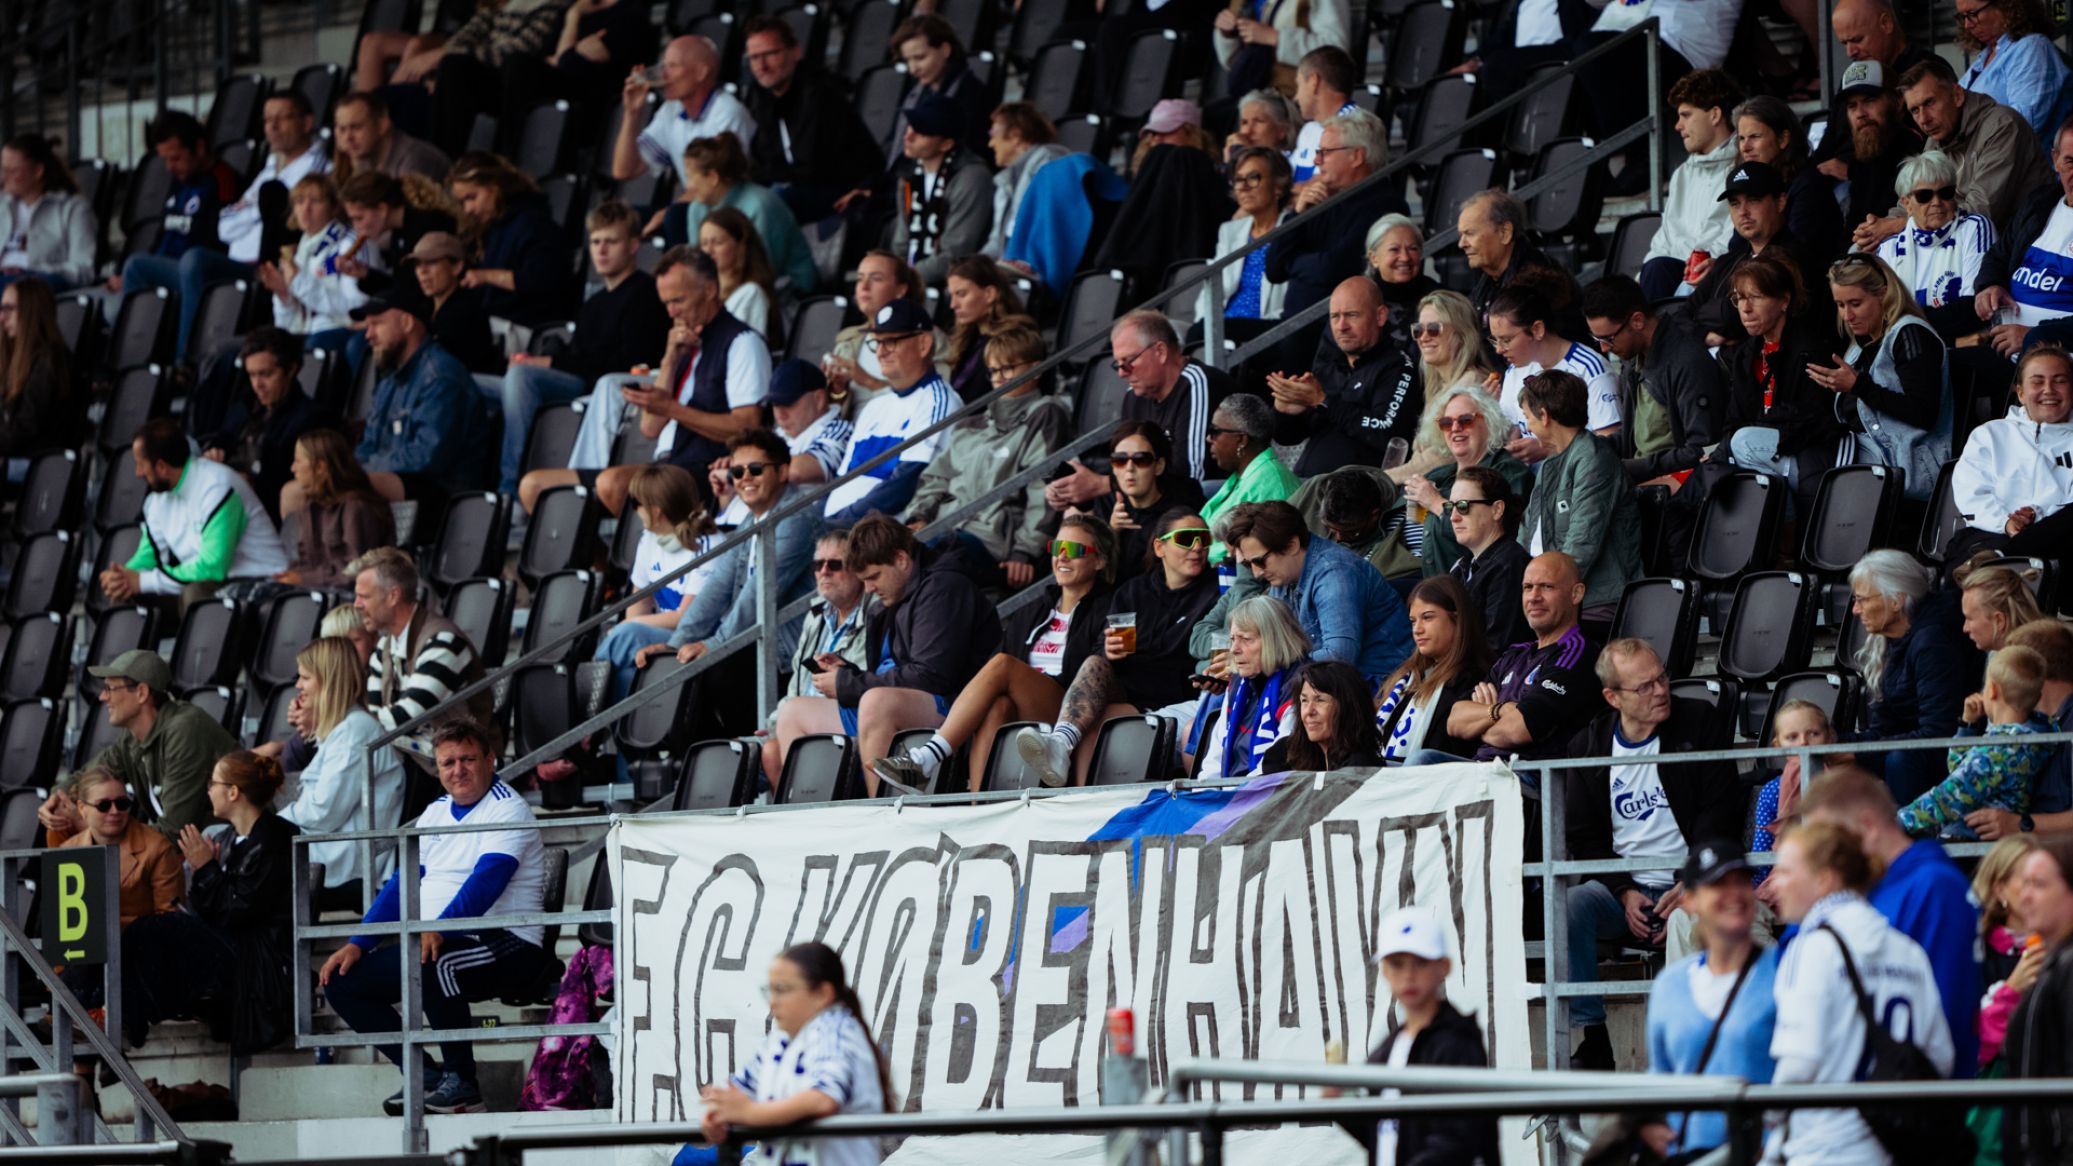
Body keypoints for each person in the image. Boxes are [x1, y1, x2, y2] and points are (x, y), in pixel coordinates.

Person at [319, 721, 552, 1116]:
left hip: (508, 941)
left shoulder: (508, 807)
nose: (458, 770)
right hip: (442, 940)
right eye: (448, 763)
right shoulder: (435, 812)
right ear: (437, 768)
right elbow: (402, 885)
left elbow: (486, 882)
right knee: (342, 982)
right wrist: (359, 943)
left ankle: (463, 1085)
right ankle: (424, 1075)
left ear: (491, 760)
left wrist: (438, 929)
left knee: (431, 962)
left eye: (468, 759)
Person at [1560, 638, 1743, 1070]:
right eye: (1644, 687)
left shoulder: (1698, 720)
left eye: (1662, 677)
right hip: (1628, 891)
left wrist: (1692, 881)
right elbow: (1584, 837)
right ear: (1613, 697)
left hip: (1693, 882)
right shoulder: (1588, 747)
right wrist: (1623, 891)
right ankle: (1593, 1038)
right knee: (1569, 905)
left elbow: (1721, 811)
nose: (1661, 691)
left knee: (1694, 917)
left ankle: (1699, 1045)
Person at [871, 514, 1116, 792]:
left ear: (1099, 560)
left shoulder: (1110, 607)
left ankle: (927, 758)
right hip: (1028, 706)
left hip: (1070, 712)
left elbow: (1098, 670)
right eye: (1056, 548)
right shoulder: (1033, 611)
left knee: (1002, 664)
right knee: (996, 706)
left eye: (1074, 550)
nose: (1062, 557)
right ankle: (979, 804)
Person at [1763, 817, 1955, 1158]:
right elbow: (1941, 1056)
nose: (1774, 883)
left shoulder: (1810, 947)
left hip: (1824, 1148)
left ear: (1824, 879)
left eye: (1786, 872)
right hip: (1898, 1147)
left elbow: (1799, 1062)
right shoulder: (1906, 949)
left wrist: (1764, 1117)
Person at [772, 516, 1001, 785]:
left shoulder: (943, 588)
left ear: (901, 559)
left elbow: (931, 677)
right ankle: (818, 809)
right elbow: (893, 671)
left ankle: (885, 806)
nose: (869, 589)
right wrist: (849, 672)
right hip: (896, 701)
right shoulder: (891, 597)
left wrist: (848, 683)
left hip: (955, 706)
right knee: (792, 713)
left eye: (873, 577)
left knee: (875, 702)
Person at [543, 247, 769, 516]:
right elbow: (650, 427)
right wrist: (670, 358)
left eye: (679, 301)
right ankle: (602, 547)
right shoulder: (685, 343)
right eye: (666, 303)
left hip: (707, 468)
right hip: (667, 464)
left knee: (612, 484)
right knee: (537, 485)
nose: (671, 312)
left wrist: (673, 409)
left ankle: (627, 546)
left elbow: (747, 426)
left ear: (709, 290)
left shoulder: (742, 342)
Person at [1011, 511, 1219, 787]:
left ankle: (1083, 794)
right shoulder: (1134, 591)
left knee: (1103, 718)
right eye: (1186, 538)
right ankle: (1061, 745)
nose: (1197, 547)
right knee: (1095, 666)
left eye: (1204, 539)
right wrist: (1108, 651)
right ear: (1160, 547)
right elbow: (1101, 648)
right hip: (1132, 693)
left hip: (1178, 695)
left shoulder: (1217, 590)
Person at [1801, 767, 1982, 1079]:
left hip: (1919, 1093)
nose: (1825, 856)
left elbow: (1943, 1011)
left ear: (1868, 827)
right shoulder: (1873, 886)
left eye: (1831, 842)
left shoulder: (1934, 887)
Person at [640, 430, 823, 734]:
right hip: (758, 642)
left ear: (782, 472)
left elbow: (759, 593)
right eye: (737, 471)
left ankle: (743, 756)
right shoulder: (752, 521)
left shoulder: (796, 517)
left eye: (755, 469)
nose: (744, 478)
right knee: (679, 670)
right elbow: (717, 588)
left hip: (789, 650)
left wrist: (716, 645)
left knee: (715, 672)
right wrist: (675, 646)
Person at [118, 750, 299, 1052]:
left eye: (213, 783)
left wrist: (207, 869)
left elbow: (241, 910)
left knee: (149, 931)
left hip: (257, 958)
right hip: (233, 947)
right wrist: (204, 871)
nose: (208, 791)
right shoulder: (226, 839)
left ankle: (122, 1021)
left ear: (233, 792)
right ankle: (117, 1017)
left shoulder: (276, 837)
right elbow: (204, 909)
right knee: (145, 932)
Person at [489, 201, 670, 497]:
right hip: (580, 378)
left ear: (634, 244)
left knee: (521, 376)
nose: (601, 251)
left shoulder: (645, 293)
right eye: (596, 242)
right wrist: (543, 361)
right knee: (484, 384)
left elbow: (626, 363)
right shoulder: (593, 303)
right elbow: (577, 355)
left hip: (606, 385)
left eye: (611, 242)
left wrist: (548, 363)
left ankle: (508, 490)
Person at [900, 325, 1066, 589]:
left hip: (992, 541)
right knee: (883, 547)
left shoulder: (1045, 414)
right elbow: (935, 478)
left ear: (1036, 369)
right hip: (945, 528)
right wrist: (919, 517)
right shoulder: (971, 424)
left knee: (918, 559)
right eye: (993, 371)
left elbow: (1043, 488)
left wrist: (1024, 551)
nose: (999, 378)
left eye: (1008, 368)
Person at [1333, 907, 1501, 1166]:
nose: (1408, 975)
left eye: (1420, 962)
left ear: (1443, 967)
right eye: (1397, 964)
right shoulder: (1390, 1048)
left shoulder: (1457, 1044)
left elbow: (1455, 1140)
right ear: (1384, 971)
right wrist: (1341, 1102)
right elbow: (1384, 1135)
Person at [698, 942, 892, 1165]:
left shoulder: (837, 1031)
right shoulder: (777, 1041)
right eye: (770, 990)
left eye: (782, 990)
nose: (772, 1001)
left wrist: (750, 1113)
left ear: (822, 994)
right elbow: (738, 1093)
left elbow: (823, 1099)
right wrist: (717, 1115)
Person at [1646, 842, 1779, 1157]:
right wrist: (1651, 1124)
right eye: (1718, 884)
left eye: (1741, 881)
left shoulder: (1787, 972)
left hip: (1766, 1155)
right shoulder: (1669, 985)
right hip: (1689, 1154)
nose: (1733, 894)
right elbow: (1661, 1076)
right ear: (1689, 900)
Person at [1433, 552, 1604, 776]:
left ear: (1576, 593)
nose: (1534, 597)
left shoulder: (1577, 653)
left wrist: (1481, 723)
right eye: (1527, 587)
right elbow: (1455, 720)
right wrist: (1500, 710)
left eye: (1546, 587)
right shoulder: (1515, 654)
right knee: (1424, 761)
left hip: (1527, 778)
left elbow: (1519, 730)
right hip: (1482, 771)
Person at [1863, 58, 2052, 254]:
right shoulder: (1936, 138)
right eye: (1915, 110)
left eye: (1929, 103)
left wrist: (1902, 224)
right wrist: (1877, 227)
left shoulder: (2002, 126)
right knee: (1861, 252)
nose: (1924, 119)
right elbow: (1914, 198)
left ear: (1957, 95)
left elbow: (1980, 214)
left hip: (2018, 250)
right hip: (1960, 244)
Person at [100, 417, 290, 609]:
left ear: (161, 467)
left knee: (196, 594)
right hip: (211, 583)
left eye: (141, 464)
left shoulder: (216, 486)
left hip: (262, 579)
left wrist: (142, 581)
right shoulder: (157, 501)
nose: (138, 473)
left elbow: (213, 567)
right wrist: (122, 578)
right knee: (126, 594)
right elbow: (150, 556)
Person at [52, 650, 240, 842]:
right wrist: (55, 800)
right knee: (60, 822)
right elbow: (86, 776)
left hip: (229, 846)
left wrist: (94, 827)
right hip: (191, 847)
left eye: (110, 688)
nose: (102, 697)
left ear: (141, 692)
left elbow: (175, 831)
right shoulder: (131, 738)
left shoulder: (184, 730)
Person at [276, 637, 403, 905]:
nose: (298, 686)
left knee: (240, 852)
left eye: (305, 678)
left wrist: (268, 826)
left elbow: (324, 812)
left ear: (329, 681)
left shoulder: (355, 730)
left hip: (345, 859)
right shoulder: (344, 728)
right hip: (329, 848)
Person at [108, 110, 243, 363]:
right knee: (134, 267)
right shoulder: (179, 180)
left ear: (199, 148)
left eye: (176, 158)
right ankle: (130, 363)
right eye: (166, 160)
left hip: (204, 269)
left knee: (188, 262)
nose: (169, 167)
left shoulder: (223, 179)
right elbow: (165, 231)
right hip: (174, 268)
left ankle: (185, 361)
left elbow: (226, 237)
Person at [1815, 254, 1952, 501]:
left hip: (1908, 465)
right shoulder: (1859, 344)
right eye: (1840, 305)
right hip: (1864, 453)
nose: (1847, 316)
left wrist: (1858, 386)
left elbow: (1924, 412)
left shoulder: (1910, 334)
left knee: (1813, 467)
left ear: (1883, 294)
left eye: (1855, 303)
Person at [1713, 255, 1846, 509]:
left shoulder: (1810, 351)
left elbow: (1810, 421)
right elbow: (1735, 419)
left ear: (1784, 301)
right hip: (1764, 455)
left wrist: (1757, 429)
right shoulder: (1745, 355)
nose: (1745, 308)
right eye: (1739, 298)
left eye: (1756, 297)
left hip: (1806, 459)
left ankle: (1785, 528)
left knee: (1743, 443)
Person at [1227, 500, 1412, 682]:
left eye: (1260, 561)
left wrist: (1267, 661)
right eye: (1248, 564)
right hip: (1331, 686)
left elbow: (1338, 659)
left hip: (1382, 683)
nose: (1256, 573)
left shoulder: (1336, 574)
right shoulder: (1282, 575)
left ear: (1292, 545)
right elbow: (1276, 642)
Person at [1514, 370, 1641, 624]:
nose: (1528, 428)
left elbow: (1583, 542)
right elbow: (1526, 532)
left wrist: (1546, 593)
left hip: (1596, 601)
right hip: (1555, 597)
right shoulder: (1548, 465)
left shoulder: (1594, 458)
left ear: (1544, 416)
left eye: (1528, 418)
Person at [819, 299, 958, 527]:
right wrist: (817, 517)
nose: (881, 352)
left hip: (876, 532)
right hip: (838, 527)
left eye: (891, 342)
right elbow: (841, 478)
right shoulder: (875, 406)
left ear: (923, 344)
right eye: (877, 343)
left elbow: (904, 486)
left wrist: (840, 522)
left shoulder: (939, 402)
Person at [1848, 550, 1970, 803]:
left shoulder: (1932, 642)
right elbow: (1884, 729)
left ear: (1896, 601)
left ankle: (1908, 830)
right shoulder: (1893, 642)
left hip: (1950, 757)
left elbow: (1938, 731)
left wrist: (1858, 754)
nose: (1855, 610)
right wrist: (1835, 744)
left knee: (1900, 759)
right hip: (1917, 751)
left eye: (1862, 600)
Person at [1268, 276, 1421, 477]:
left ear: (1380, 316)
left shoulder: (1398, 366)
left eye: (1352, 315)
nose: (1341, 326)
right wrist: (1286, 414)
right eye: (1334, 316)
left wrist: (1323, 402)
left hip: (1360, 490)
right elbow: (1290, 439)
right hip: (1309, 483)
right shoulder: (1330, 366)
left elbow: (1386, 432)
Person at [352, 546, 495, 761]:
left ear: (393, 596)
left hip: (469, 765)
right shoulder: (383, 648)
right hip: (422, 763)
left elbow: (406, 718)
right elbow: (374, 717)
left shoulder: (444, 641)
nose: (356, 605)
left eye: (364, 596)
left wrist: (350, 727)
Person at [736, 16, 884, 223]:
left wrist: (770, 181)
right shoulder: (759, 96)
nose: (762, 66)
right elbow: (762, 161)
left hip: (840, 187)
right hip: (794, 185)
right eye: (754, 58)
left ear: (796, 52)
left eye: (770, 54)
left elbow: (812, 167)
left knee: (770, 204)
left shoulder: (819, 92)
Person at [1264, 110, 1407, 323]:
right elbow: (1274, 268)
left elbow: (1332, 269)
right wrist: (1297, 215)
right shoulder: (1322, 201)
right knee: (1213, 329)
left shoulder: (1384, 205)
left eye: (1325, 152)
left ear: (1357, 156)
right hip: (1290, 325)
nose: (1316, 160)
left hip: (1334, 329)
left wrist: (1292, 264)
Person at [1897, 645, 2055, 837]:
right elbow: (1959, 769)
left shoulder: (2000, 750)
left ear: (1992, 690)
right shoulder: (2036, 735)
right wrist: (1967, 726)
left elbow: (1948, 798)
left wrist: (1899, 820)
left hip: (1968, 837)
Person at [1582, 276, 1727, 483]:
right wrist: (1589, 449)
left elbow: (1701, 450)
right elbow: (1632, 435)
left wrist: (1630, 469)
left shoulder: (1688, 363)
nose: (1604, 348)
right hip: (1641, 476)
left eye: (1608, 339)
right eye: (1598, 339)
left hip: (1675, 484)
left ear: (1637, 321)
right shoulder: (1634, 359)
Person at [350, 291, 489, 504]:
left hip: (445, 498)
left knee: (352, 488)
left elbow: (425, 457)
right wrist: (349, 469)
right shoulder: (388, 382)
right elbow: (369, 444)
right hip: (401, 484)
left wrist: (361, 472)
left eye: (377, 324)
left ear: (407, 323)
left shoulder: (441, 377)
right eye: (367, 326)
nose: (368, 335)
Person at [760, 528, 874, 788]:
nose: (824, 572)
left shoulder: (873, 614)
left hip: (850, 717)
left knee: (791, 720)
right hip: (802, 721)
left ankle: (809, 803)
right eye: (818, 565)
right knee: (769, 752)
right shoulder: (815, 617)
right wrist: (776, 723)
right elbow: (796, 687)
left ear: (857, 569)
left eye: (834, 564)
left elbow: (866, 680)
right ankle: (798, 811)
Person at [1947, 343, 2073, 564]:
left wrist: (2035, 514)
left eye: (2060, 380)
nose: (2049, 389)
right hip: (1990, 533)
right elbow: (1971, 493)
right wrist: (2006, 523)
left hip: (2057, 542)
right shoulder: (1989, 435)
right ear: (2021, 393)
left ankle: (2003, 560)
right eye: (2037, 381)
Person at [1684, 160, 1832, 345]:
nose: (1743, 212)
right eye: (1735, 203)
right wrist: (1705, 336)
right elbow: (1682, 313)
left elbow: (1733, 319)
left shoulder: (1796, 258)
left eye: (1753, 200)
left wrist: (1707, 313)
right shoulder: (1727, 261)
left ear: (1780, 202)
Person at [598, 463, 712, 699]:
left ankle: (586, 697)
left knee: (627, 635)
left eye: (635, 504)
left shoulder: (708, 544)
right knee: (626, 671)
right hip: (664, 634)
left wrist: (632, 626)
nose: (634, 511)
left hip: (698, 638)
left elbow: (686, 617)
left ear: (657, 511)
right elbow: (639, 601)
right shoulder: (649, 538)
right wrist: (634, 624)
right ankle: (604, 717)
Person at [657, 133, 817, 296]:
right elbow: (699, 265)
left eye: (690, 177)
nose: (687, 186)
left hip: (786, 291)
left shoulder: (761, 205)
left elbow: (763, 271)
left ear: (712, 177)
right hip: (725, 290)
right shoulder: (696, 208)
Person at [1640, 70, 1745, 301]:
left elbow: (1733, 243)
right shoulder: (1682, 174)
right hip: (1668, 276)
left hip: (1712, 280)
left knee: (1658, 270)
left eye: (1686, 115)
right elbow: (1662, 242)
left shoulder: (1742, 169)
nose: (1678, 126)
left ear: (1715, 115)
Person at [199, 326, 321, 524]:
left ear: (291, 369)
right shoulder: (245, 406)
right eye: (252, 375)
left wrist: (248, 482)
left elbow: (290, 480)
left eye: (266, 374)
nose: (257, 384)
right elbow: (222, 438)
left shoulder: (311, 419)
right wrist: (213, 452)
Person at [1871, 151, 1996, 340]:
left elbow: (1972, 309)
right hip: (1917, 345)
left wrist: (1907, 324)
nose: (1937, 202)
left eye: (1945, 193)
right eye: (1924, 196)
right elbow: (1880, 319)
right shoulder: (1889, 248)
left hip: (1963, 342)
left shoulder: (1974, 227)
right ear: (1906, 203)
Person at [2001, 835, 2073, 1161]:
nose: (2025, 896)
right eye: (2025, 883)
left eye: (2039, 885)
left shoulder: (2068, 967)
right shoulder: (2051, 964)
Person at [1487, 283, 1620, 458]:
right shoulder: (1515, 369)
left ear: (1537, 330)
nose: (1498, 350)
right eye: (1495, 340)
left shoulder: (1590, 369)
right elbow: (1511, 432)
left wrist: (1549, 449)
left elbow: (1609, 444)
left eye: (1506, 340)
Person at [1371, 575, 1490, 764]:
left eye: (1427, 618)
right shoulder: (1406, 680)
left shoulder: (1473, 680)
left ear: (1457, 619)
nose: (1417, 629)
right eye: (1413, 621)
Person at [446, 151, 571, 327]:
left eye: (472, 197)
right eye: (463, 202)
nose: (467, 209)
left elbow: (541, 281)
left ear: (495, 187)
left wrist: (485, 276)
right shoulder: (494, 227)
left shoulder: (534, 224)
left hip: (528, 327)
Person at [614, 35, 756, 187]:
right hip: (699, 199)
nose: (663, 74)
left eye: (672, 66)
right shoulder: (671, 110)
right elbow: (625, 170)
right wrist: (632, 114)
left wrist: (680, 203)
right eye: (663, 66)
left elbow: (718, 186)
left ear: (701, 73)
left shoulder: (728, 113)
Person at [1200, 596, 1313, 780]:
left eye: (1245, 639)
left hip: (1267, 791)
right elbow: (1214, 759)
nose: (1234, 649)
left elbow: (1277, 766)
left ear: (1275, 640)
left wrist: (1232, 794)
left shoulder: (1303, 686)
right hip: (1231, 790)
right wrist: (1207, 791)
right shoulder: (1237, 683)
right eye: (1232, 639)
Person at [820, 250, 950, 410]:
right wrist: (838, 389)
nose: (864, 287)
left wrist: (869, 382)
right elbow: (834, 411)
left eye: (876, 279)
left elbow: (936, 401)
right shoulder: (848, 340)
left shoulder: (928, 338)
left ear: (901, 290)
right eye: (859, 279)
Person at [885, 95, 992, 288]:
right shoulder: (908, 174)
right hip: (912, 281)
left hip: (953, 286)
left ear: (946, 144)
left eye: (921, 132)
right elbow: (901, 243)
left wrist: (903, 280)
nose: (908, 136)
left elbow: (956, 254)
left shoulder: (971, 177)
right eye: (910, 127)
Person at [218, 91, 332, 270]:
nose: (273, 126)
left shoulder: (320, 169)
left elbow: (292, 221)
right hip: (236, 262)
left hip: (275, 266)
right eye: (267, 120)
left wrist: (251, 207)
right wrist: (259, 211)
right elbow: (224, 228)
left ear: (307, 122)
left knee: (195, 261)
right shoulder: (270, 167)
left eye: (282, 118)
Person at [56, 768, 183, 927]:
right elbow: (62, 923)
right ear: (82, 808)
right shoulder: (67, 851)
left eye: (122, 804)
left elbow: (172, 922)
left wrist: (108, 928)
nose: (115, 811)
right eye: (103, 805)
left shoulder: (158, 848)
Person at [1458, 188, 1584, 345]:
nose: (1461, 244)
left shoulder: (1539, 280)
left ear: (1505, 232)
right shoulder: (1488, 279)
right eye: (1461, 235)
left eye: (1470, 233)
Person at [275, 430, 397, 590]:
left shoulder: (356, 507)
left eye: (298, 461)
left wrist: (303, 579)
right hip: (318, 592)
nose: (293, 468)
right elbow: (305, 559)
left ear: (320, 467)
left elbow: (356, 570)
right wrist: (288, 576)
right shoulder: (311, 506)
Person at [1733, 96, 1844, 265]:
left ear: (1783, 139)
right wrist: (1721, 266)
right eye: (1741, 138)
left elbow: (1794, 255)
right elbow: (1737, 248)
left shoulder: (1809, 185)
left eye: (1754, 136)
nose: (1745, 147)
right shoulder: (1747, 184)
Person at [1194, 146, 1292, 333]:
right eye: (1238, 180)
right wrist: (1204, 324)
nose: (1244, 187)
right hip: (1224, 326)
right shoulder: (1229, 231)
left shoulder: (1292, 229)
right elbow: (1212, 289)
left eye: (1253, 177)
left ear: (1278, 186)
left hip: (1265, 328)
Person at [1401, 290, 1499, 475]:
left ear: (1461, 333)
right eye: (1418, 330)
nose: (1423, 337)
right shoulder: (1439, 385)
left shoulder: (1472, 384)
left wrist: (1381, 477)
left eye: (1434, 329)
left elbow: (1441, 459)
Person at [258, 174, 366, 339]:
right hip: (309, 336)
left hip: (339, 334)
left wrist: (298, 282)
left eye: (315, 201)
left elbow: (354, 309)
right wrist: (283, 295)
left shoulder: (347, 245)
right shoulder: (301, 250)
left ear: (333, 207)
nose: (306, 209)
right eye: (299, 201)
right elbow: (286, 327)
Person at [1441, 466, 1530, 653]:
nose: (1453, 517)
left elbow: (1497, 648)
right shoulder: (1462, 566)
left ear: (1497, 510)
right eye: (1449, 507)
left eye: (1463, 506)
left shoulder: (1510, 564)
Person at [1200, 394, 1302, 556]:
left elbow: (1248, 553)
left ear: (1241, 440)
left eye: (1214, 431)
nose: (1208, 438)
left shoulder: (1270, 484)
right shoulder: (1244, 476)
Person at [1956, 0, 2072, 141]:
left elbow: (2022, 123)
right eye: (1962, 17)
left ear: (2005, 6)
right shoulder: (1985, 57)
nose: (1967, 25)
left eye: (1972, 14)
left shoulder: (2032, 47)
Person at [0, 277, 83, 472]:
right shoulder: (17, 357)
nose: (2, 317)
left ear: (31, 311)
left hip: (39, 465)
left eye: (9, 309)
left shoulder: (51, 359)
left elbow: (24, 431)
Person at [1833, 60, 1926, 231]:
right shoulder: (1863, 154)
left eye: (1869, 101)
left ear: (1898, 101)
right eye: (1852, 106)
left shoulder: (1916, 149)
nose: (1860, 113)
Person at [884, 16, 991, 162]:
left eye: (920, 58)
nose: (912, 69)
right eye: (908, 60)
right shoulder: (914, 93)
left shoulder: (972, 95)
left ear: (945, 50)